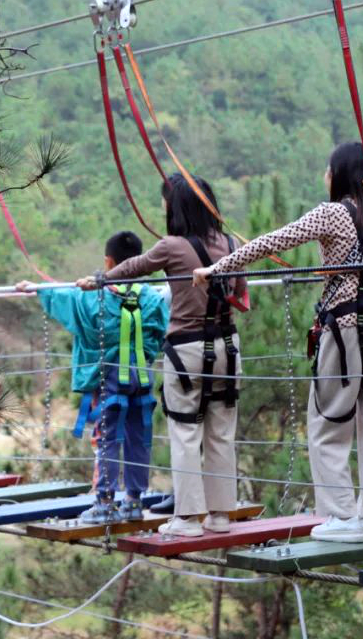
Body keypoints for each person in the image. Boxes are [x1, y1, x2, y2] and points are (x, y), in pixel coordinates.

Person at [194, 143, 363, 543]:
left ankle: (343, 517)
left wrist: (216, 268)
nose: (324, 176)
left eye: (328, 169)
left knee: (329, 421)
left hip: (346, 327)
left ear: (339, 174)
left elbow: (271, 242)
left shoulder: (332, 213)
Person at [79, 173, 249, 537]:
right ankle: (220, 515)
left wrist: (100, 280)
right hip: (227, 347)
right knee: (220, 432)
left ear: (176, 207)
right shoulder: (233, 242)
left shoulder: (172, 246)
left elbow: (134, 267)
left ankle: (187, 518)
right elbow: (240, 292)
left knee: (186, 432)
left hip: (187, 349)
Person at [16, 231, 168, 524]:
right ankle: (134, 501)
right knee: (139, 437)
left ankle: (103, 503)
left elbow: (60, 297)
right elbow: (160, 331)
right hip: (142, 379)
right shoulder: (151, 297)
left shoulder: (91, 298)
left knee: (107, 439)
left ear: (108, 261)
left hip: (109, 382)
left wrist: (34, 288)